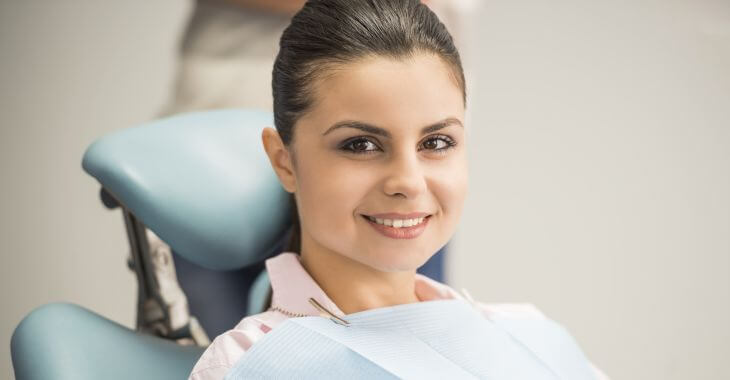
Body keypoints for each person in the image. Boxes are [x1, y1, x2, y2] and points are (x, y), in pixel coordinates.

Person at [188, 0, 610, 379]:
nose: (408, 182)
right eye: (361, 145)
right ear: (285, 160)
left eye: (436, 143)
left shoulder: (531, 335)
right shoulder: (250, 366)